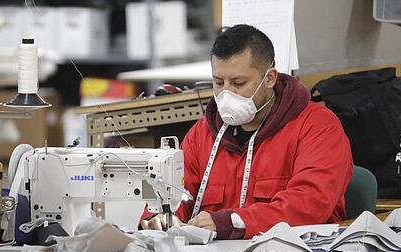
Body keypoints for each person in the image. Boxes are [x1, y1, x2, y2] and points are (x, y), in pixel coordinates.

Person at [141, 24, 353, 239]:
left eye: (238, 83)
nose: (226, 93)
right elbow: (173, 191)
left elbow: (310, 203)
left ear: (269, 78)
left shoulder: (317, 127)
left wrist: (230, 222)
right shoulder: (202, 133)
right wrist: (159, 216)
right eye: (218, 82)